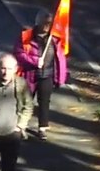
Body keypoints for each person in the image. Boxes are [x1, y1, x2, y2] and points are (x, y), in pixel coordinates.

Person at [15, 10, 68, 140]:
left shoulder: (54, 38)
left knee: (44, 102)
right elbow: (18, 53)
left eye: (49, 23)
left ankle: (42, 128)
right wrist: (34, 61)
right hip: (30, 74)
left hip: (47, 75)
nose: (46, 26)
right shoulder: (26, 36)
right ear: (37, 22)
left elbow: (60, 57)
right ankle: (21, 126)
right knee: (26, 101)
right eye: (44, 23)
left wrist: (61, 76)